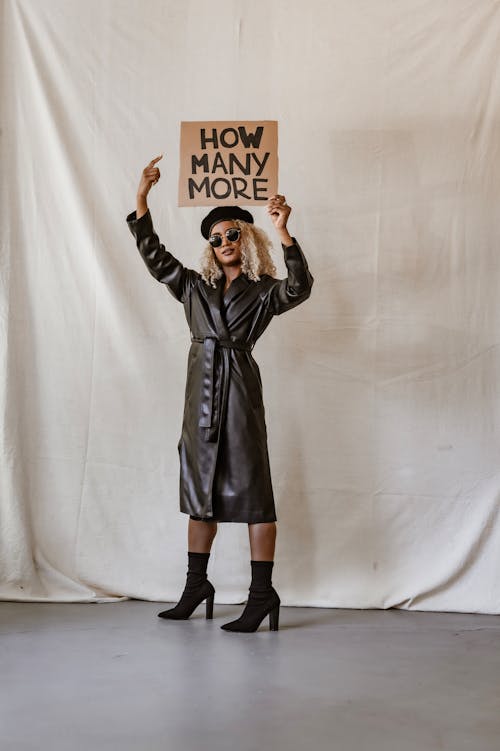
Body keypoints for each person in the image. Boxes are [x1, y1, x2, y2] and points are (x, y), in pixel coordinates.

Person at [127, 155, 313, 632]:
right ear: (209, 248)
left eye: (233, 234)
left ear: (246, 240)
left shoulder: (264, 290)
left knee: (254, 490)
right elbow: (156, 258)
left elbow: (300, 288)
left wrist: (284, 229)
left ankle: (261, 593)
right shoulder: (192, 286)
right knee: (198, 490)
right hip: (199, 399)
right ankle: (196, 585)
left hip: (239, 395)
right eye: (216, 238)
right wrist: (142, 200)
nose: (225, 241)